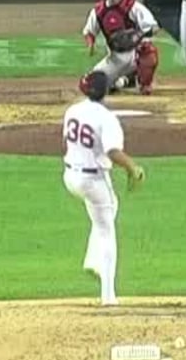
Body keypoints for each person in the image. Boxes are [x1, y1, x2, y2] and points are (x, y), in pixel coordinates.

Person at [61, 70, 146, 308]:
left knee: (107, 211)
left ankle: (92, 259)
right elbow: (112, 151)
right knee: (107, 230)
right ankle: (108, 296)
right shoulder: (106, 118)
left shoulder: (72, 111)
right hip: (93, 180)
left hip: (70, 176)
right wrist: (132, 167)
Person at [79, 0, 161, 96]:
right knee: (89, 85)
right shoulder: (98, 12)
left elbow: (154, 27)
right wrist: (91, 44)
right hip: (115, 58)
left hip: (135, 54)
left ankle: (145, 83)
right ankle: (124, 80)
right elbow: (89, 31)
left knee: (148, 50)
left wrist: (137, 36)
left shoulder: (132, 6)